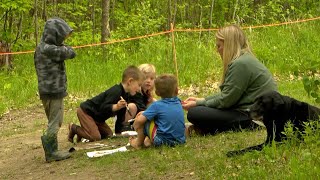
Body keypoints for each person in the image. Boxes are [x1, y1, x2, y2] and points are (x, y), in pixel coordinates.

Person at [182, 24, 277, 136]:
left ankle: (204, 129)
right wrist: (201, 100)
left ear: (229, 45)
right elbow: (228, 94)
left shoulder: (240, 64)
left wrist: (199, 104)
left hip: (256, 119)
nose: (217, 51)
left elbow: (225, 101)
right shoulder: (244, 59)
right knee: (200, 111)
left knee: (195, 113)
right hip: (255, 112)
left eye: (219, 46)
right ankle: (204, 129)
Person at [34, 17, 76, 162]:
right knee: (55, 121)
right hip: (53, 91)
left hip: (45, 91)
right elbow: (71, 53)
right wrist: (66, 47)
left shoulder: (40, 47)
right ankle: (51, 152)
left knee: (52, 120)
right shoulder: (50, 49)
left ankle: (52, 149)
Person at [68, 65, 144, 142]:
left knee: (109, 135)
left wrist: (119, 133)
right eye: (139, 85)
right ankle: (74, 128)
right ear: (130, 81)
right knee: (95, 137)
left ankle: (83, 132)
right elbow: (103, 108)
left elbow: (120, 117)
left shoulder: (126, 95)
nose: (139, 89)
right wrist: (116, 107)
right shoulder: (116, 91)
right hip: (87, 111)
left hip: (98, 118)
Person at [129, 74, 186, 149]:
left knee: (144, 119)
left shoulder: (157, 105)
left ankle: (138, 144)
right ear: (177, 90)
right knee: (151, 117)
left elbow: (140, 121)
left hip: (162, 141)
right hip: (180, 141)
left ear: (157, 93)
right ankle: (149, 140)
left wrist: (135, 126)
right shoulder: (178, 102)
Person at [121, 64, 157, 132]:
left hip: (138, 115)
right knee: (132, 106)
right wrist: (146, 114)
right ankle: (124, 126)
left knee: (154, 102)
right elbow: (139, 106)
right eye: (146, 78)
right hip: (127, 115)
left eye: (151, 78)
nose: (148, 81)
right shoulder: (136, 91)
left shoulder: (147, 93)